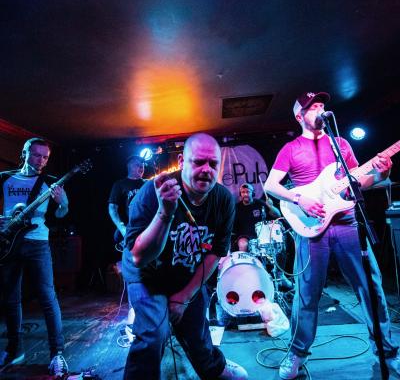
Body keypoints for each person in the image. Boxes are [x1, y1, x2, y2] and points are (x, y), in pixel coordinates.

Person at [264, 91, 399, 379]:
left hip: (348, 224)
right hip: (311, 229)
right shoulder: (291, 149)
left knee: (371, 288)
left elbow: (357, 181)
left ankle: (387, 352)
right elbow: (270, 186)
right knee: (307, 294)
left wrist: (381, 174)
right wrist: (299, 199)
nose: (320, 109)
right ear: (300, 116)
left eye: (322, 105)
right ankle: (298, 353)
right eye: (313, 107)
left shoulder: (341, 144)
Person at [121, 133, 248, 379]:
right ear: (181, 161)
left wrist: (184, 297)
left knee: (197, 331)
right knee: (153, 334)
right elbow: (138, 257)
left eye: (213, 164)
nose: (206, 170)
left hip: (186, 273)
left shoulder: (223, 199)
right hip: (148, 274)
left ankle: (214, 368)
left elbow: (216, 253)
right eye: (198, 162)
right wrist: (165, 213)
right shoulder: (152, 192)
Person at [0, 138, 69, 376]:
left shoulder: (51, 182)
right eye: (37, 155)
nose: (41, 161)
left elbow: (62, 214)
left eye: (45, 157)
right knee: (11, 297)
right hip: (9, 243)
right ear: (25, 153)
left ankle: (57, 353)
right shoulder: (5, 177)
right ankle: (14, 350)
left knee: (48, 297)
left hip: (38, 242)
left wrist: (62, 203)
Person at [108, 154, 146, 343]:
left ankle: (148, 316)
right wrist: (122, 228)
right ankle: (133, 319)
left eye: (143, 165)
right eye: (138, 164)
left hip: (147, 235)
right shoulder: (120, 185)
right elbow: (112, 209)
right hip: (129, 235)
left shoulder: (147, 184)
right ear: (129, 165)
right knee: (133, 276)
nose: (142, 167)